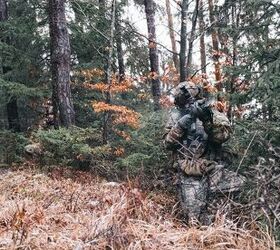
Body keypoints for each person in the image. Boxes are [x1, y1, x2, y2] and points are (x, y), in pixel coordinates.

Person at [164, 81, 245, 223]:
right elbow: (167, 144)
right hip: (186, 170)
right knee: (194, 218)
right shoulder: (175, 117)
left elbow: (222, 137)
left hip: (213, 168)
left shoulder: (213, 114)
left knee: (239, 187)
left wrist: (206, 119)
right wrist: (182, 124)